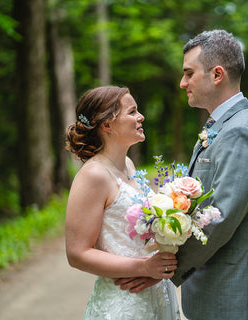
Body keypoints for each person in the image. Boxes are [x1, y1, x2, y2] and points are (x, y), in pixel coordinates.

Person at [175, 30, 248, 319]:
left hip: (229, 294)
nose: (183, 83)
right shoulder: (222, 125)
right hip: (212, 291)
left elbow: (220, 217)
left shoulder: (242, 131)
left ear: (217, 75)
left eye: (189, 73)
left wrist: (166, 266)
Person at [65, 86, 181, 320]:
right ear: (107, 125)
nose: (141, 117)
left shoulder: (127, 164)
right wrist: (142, 268)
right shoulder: (93, 175)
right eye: (132, 112)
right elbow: (77, 253)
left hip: (155, 293)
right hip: (123, 301)